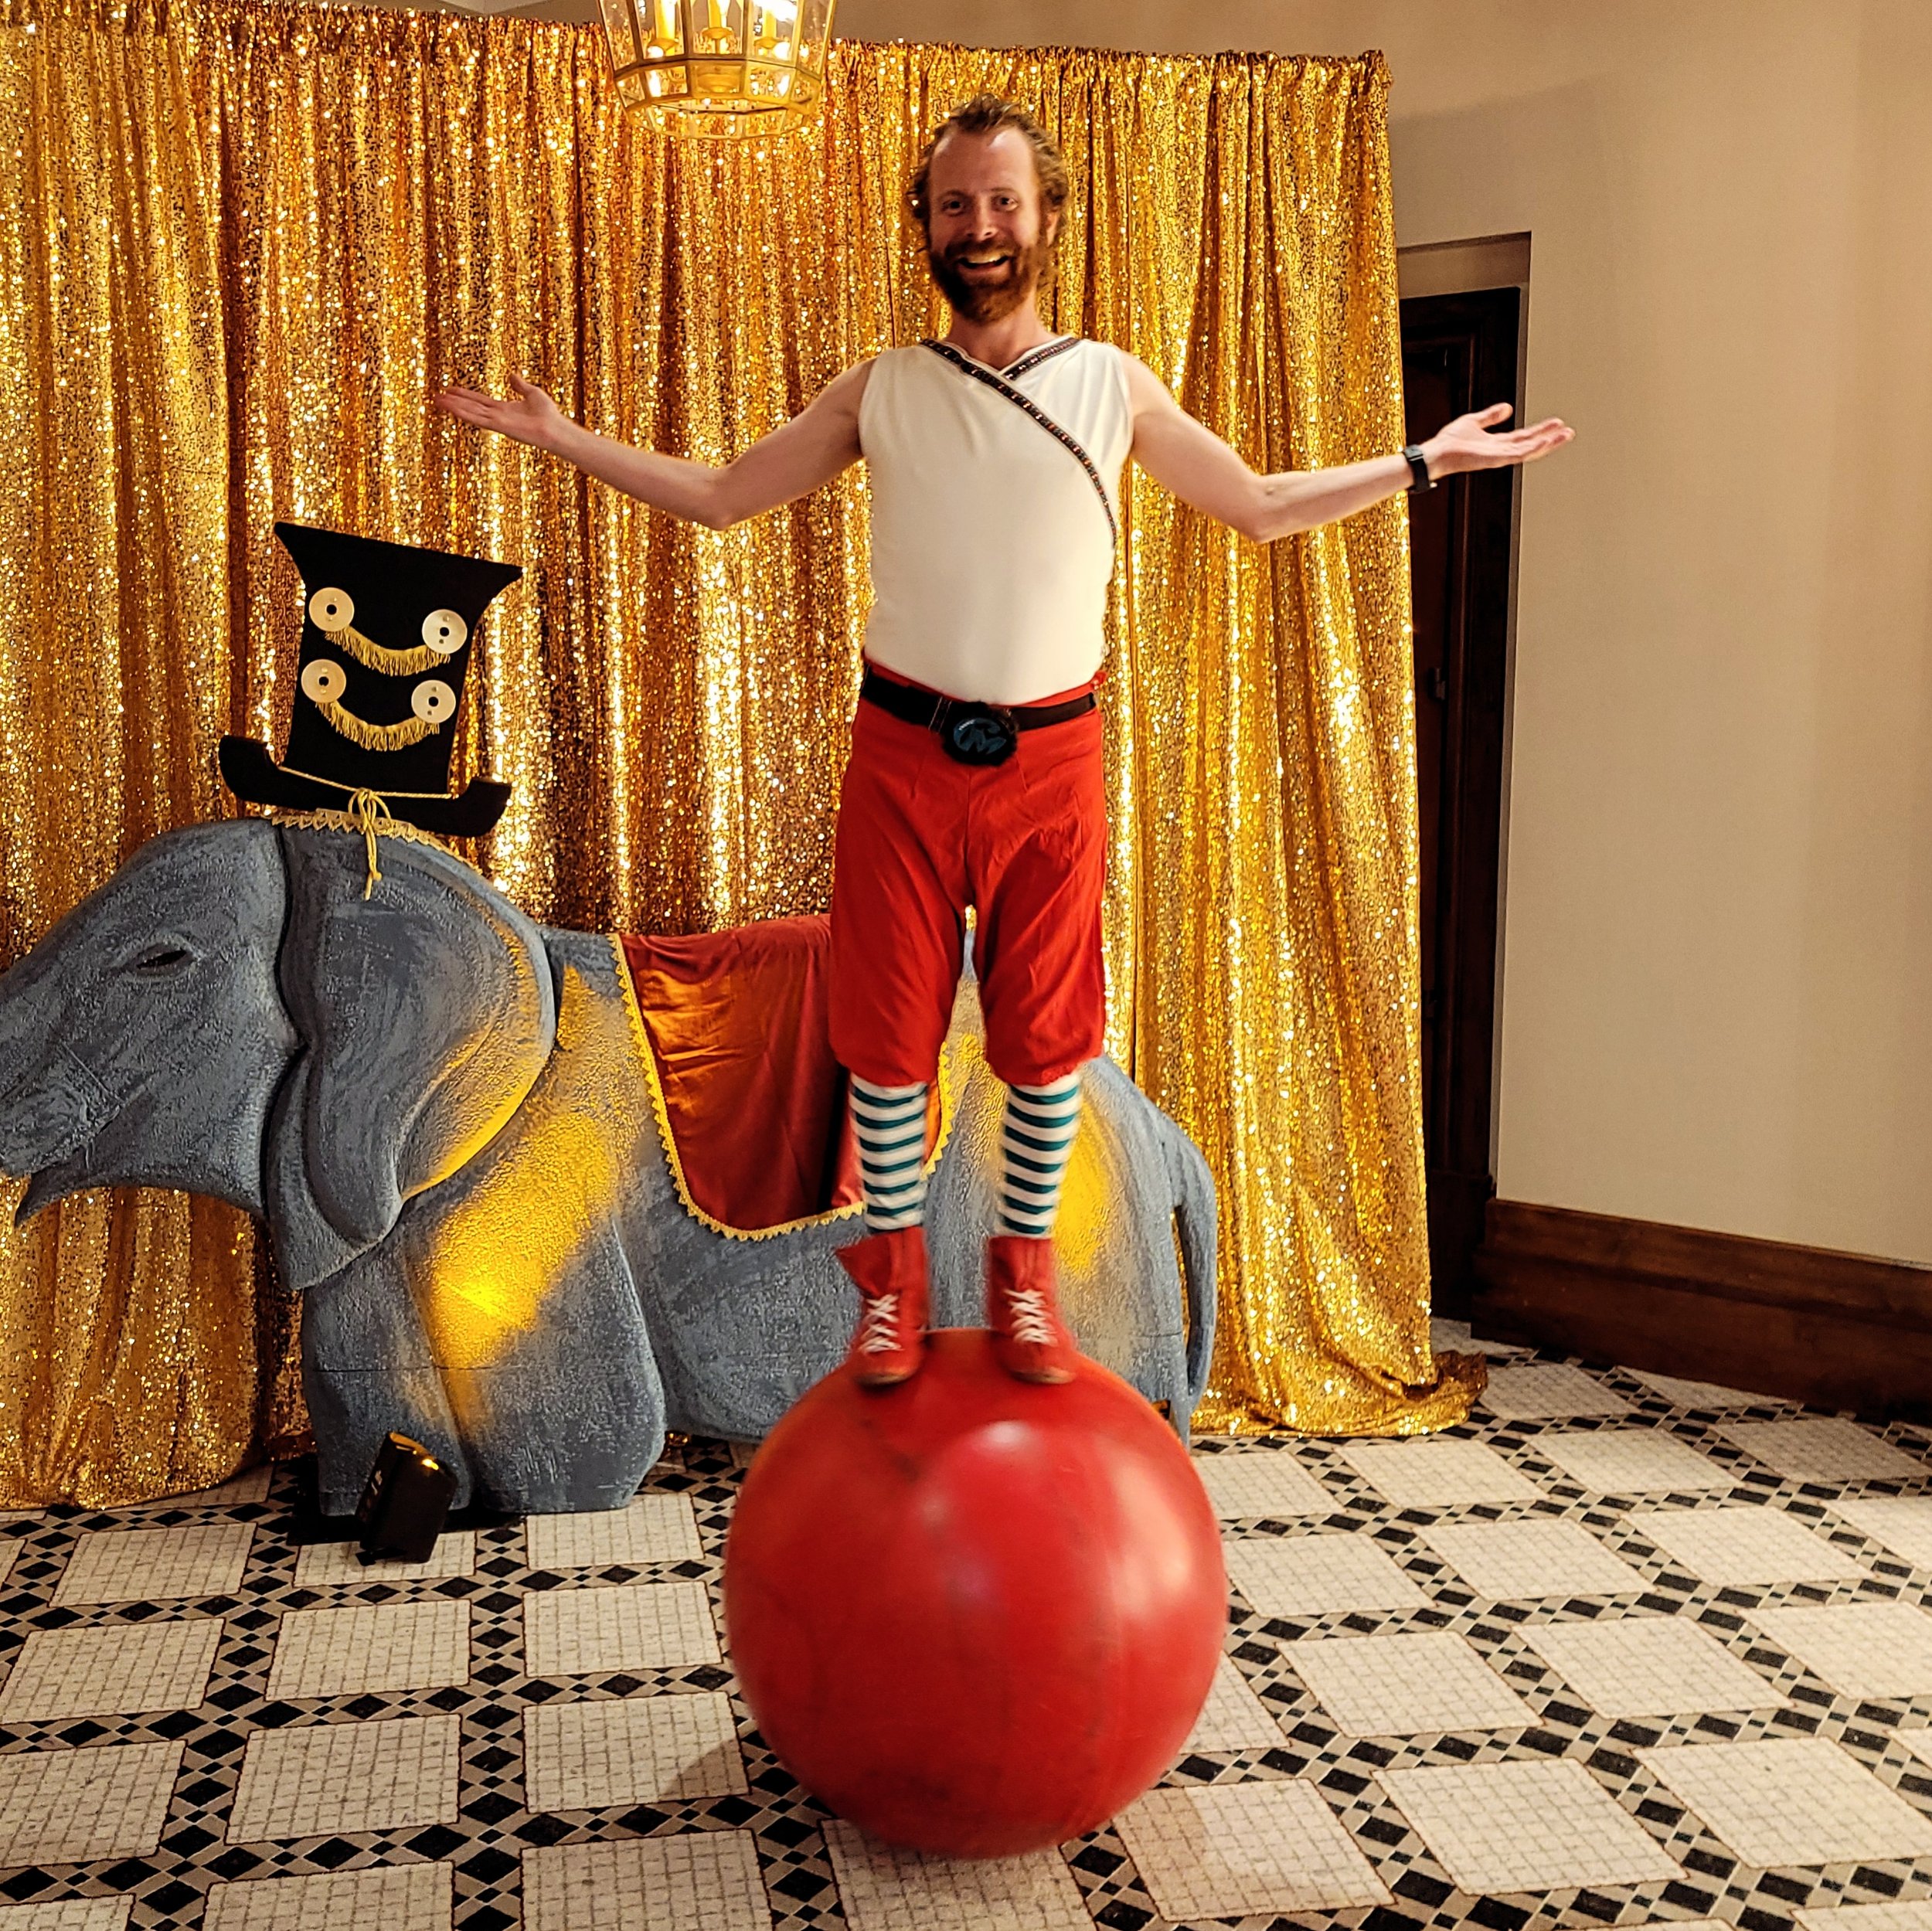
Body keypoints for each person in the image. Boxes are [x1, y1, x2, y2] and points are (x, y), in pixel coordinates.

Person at [437, 93, 1572, 1395]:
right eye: (957, 203)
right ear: (924, 223)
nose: (981, 226)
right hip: (903, 756)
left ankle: (1022, 1279)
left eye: (1003, 202)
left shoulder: (1110, 381)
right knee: (883, 1035)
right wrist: (555, 435)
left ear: (1045, 219)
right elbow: (718, 498)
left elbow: (1256, 508)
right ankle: (893, 1285)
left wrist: (1421, 461)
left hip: (1051, 762)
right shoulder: (883, 388)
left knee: (1047, 1038)